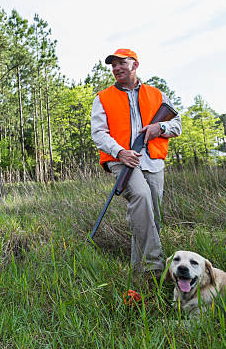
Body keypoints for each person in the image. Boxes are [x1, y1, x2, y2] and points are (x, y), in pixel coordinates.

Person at [91, 48, 181, 281]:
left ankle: (138, 273)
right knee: (141, 197)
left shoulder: (156, 94)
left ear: (135, 65)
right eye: (113, 65)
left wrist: (159, 128)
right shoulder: (103, 98)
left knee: (152, 216)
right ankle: (155, 268)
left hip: (152, 161)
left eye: (122, 63)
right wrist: (120, 152)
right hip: (122, 161)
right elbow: (98, 134)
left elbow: (177, 125)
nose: (117, 68)